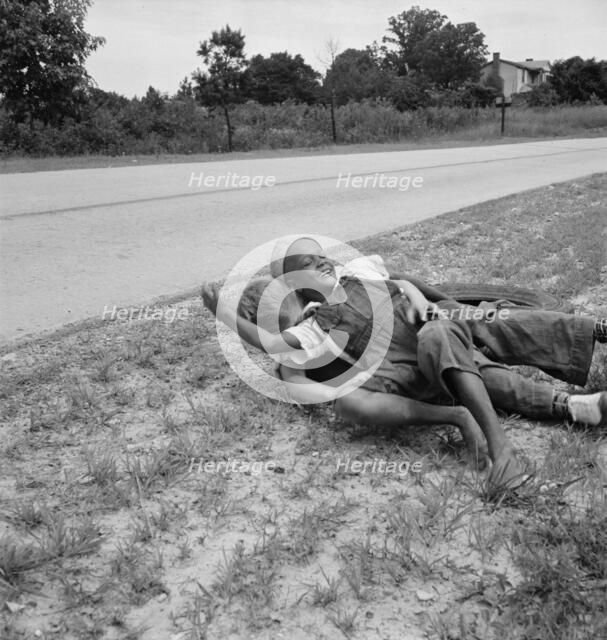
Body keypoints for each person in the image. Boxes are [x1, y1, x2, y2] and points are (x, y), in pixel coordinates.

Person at [202, 237, 607, 489]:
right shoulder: (314, 326)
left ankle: (591, 337)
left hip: (436, 332)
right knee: (467, 374)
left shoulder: (358, 271)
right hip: (413, 374)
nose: (321, 264)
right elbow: (275, 347)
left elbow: (404, 282)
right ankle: (570, 407)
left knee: (477, 324)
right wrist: (223, 312)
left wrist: (428, 301)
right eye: (307, 266)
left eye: (321, 258)